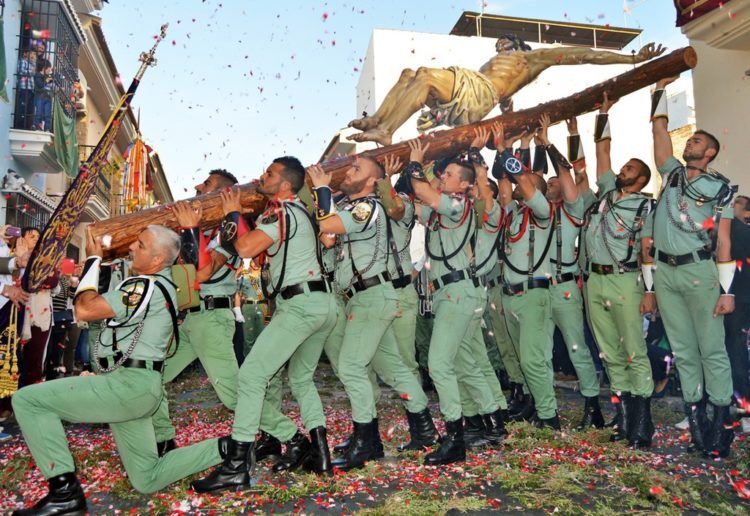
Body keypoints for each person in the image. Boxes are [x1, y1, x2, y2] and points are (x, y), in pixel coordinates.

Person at [11, 226, 222, 515]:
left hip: (126, 386)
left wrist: (93, 260)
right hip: (136, 389)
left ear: (158, 260)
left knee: (27, 400)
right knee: (147, 478)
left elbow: (84, 310)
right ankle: (231, 448)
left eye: (141, 244)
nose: (132, 247)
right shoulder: (160, 286)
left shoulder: (143, 286)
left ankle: (64, 493)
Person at [193, 157, 338, 492]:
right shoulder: (302, 210)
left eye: (269, 174)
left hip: (300, 305)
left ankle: (237, 466)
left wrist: (232, 214)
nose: (261, 176)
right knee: (301, 379)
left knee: (251, 376)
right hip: (321, 303)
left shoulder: (281, 210)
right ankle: (319, 454)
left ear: (285, 184)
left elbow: (244, 248)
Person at [309, 155, 438, 470]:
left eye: (357, 169)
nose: (349, 171)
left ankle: (368, 443)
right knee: (392, 367)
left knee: (351, 366)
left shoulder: (367, 206)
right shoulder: (351, 208)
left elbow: (328, 224)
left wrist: (321, 189)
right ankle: (425, 430)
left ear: (371, 182)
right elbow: (329, 237)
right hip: (366, 297)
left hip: (371, 297)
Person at [347, 36, 665, 145]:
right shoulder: (504, 74)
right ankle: (377, 121)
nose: (499, 48)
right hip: (475, 93)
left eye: (505, 46)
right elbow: (506, 105)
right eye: (498, 47)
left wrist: (632, 59)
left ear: (518, 48)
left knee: (427, 75)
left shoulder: (531, 59)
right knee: (409, 74)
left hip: (479, 92)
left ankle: (387, 130)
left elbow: (583, 55)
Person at [647, 76, 737, 458]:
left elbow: (724, 242)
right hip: (665, 274)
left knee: (711, 349)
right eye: (691, 139)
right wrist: (659, 91)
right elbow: (659, 132)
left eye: (698, 141)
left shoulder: (722, 190)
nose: (690, 143)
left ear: (711, 152)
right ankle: (697, 422)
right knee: (683, 351)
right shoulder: (671, 175)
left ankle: (721, 425)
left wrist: (727, 291)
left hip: (700, 272)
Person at [405, 138, 500, 464]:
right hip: (450, 292)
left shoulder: (457, 203)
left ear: (463, 184)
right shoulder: (443, 205)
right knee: (461, 362)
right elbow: (415, 201)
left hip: (459, 291)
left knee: (440, 363)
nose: (442, 178)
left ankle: (455, 437)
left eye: (447, 175)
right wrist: (427, 170)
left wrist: (417, 163)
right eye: (441, 175)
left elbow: (422, 192)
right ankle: (491, 422)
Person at [151, 169, 242, 456]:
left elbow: (202, 273)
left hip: (213, 319)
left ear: (223, 194)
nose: (197, 185)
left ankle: (285, 436)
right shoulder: (198, 232)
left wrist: (190, 229)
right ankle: (163, 440)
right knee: (153, 376)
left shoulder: (231, 232)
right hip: (190, 319)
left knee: (232, 393)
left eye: (208, 184)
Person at [581, 94, 655, 447]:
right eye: (624, 167)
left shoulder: (644, 206)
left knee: (633, 350)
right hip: (595, 280)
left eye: (630, 169)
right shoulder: (607, 195)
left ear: (640, 179)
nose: (622, 170)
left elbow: (647, 251)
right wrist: (603, 112)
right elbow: (602, 154)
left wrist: (650, 291)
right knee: (609, 351)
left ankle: (643, 425)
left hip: (626, 279)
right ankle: (623, 419)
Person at [536, 114, 604, 430]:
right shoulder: (536, 213)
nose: (551, 185)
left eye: (554, 183)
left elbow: (574, 173)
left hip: (564, 288)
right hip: (537, 289)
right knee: (539, 351)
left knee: (577, 348)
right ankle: (545, 409)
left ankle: (593, 406)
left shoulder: (574, 208)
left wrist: (561, 140)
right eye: (547, 184)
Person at [725, 195, 750, 432]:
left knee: (736, 356)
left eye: (736, 205)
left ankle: (744, 412)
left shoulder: (740, 231)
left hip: (739, 303)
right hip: (721, 301)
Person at [14, 49, 35, 130]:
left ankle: (26, 126)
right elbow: (21, 71)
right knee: (22, 108)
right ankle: (20, 126)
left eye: (34, 54)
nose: (33, 55)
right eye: (31, 53)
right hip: (24, 88)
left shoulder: (31, 64)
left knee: (29, 109)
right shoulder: (23, 61)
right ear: (25, 53)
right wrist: (31, 71)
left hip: (30, 89)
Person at [33, 65, 53, 132]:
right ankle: (36, 126)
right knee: (39, 112)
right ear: (44, 69)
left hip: (48, 96)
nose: (49, 72)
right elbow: (40, 85)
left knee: (48, 113)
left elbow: (51, 86)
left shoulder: (47, 76)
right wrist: (47, 81)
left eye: (50, 70)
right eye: (48, 70)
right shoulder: (38, 75)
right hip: (40, 96)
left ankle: (47, 128)